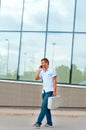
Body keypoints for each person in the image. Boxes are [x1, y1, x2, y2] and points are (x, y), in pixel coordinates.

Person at [33, 58, 57, 128]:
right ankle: (49, 123)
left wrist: (55, 91)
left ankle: (38, 122)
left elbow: (55, 81)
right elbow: (36, 78)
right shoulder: (42, 71)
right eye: (41, 63)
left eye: (43, 63)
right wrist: (39, 70)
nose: (41, 64)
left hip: (49, 91)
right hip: (44, 91)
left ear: (46, 63)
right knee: (47, 108)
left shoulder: (52, 70)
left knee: (43, 107)